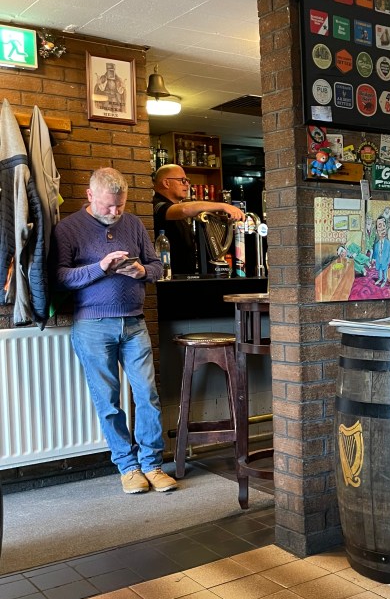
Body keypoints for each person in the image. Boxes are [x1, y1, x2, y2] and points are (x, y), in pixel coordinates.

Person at [51, 167, 177, 495]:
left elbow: (157, 266)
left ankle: (152, 464)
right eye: (108, 205)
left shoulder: (133, 223)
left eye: (120, 205)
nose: (115, 211)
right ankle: (128, 467)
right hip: (92, 326)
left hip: (134, 322)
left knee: (147, 395)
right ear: (90, 195)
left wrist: (142, 271)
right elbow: (60, 277)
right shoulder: (68, 228)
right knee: (108, 401)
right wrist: (101, 267)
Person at [152, 164, 245, 275]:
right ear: (166, 183)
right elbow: (184, 210)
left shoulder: (174, 208)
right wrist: (223, 206)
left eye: (187, 181)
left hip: (184, 276)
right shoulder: (156, 204)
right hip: (169, 277)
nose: (187, 184)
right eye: (182, 180)